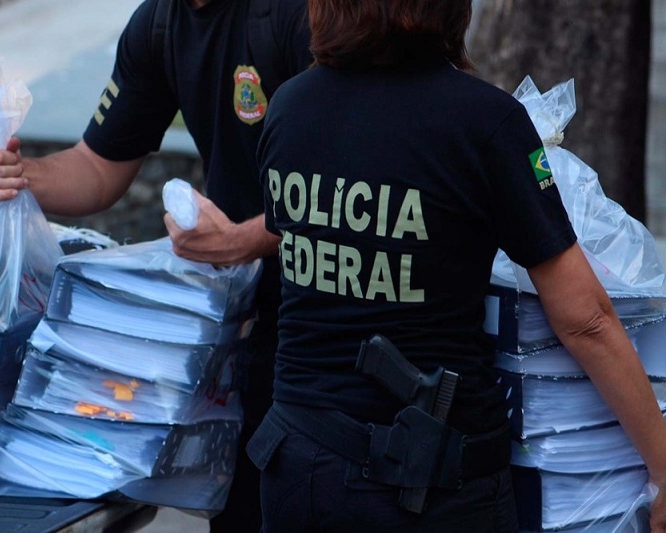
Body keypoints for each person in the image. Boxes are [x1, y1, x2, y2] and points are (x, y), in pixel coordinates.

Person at [247, 0, 666, 531]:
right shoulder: (484, 121)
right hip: (432, 486)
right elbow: (586, 319)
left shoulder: (288, 106)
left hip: (298, 468)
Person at [0, 0, 312, 531]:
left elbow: (352, 185)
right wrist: (17, 174)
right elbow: (96, 167)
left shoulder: (295, 15)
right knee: (242, 510)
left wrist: (243, 240)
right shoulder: (159, 23)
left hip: (320, 323)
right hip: (234, 326)